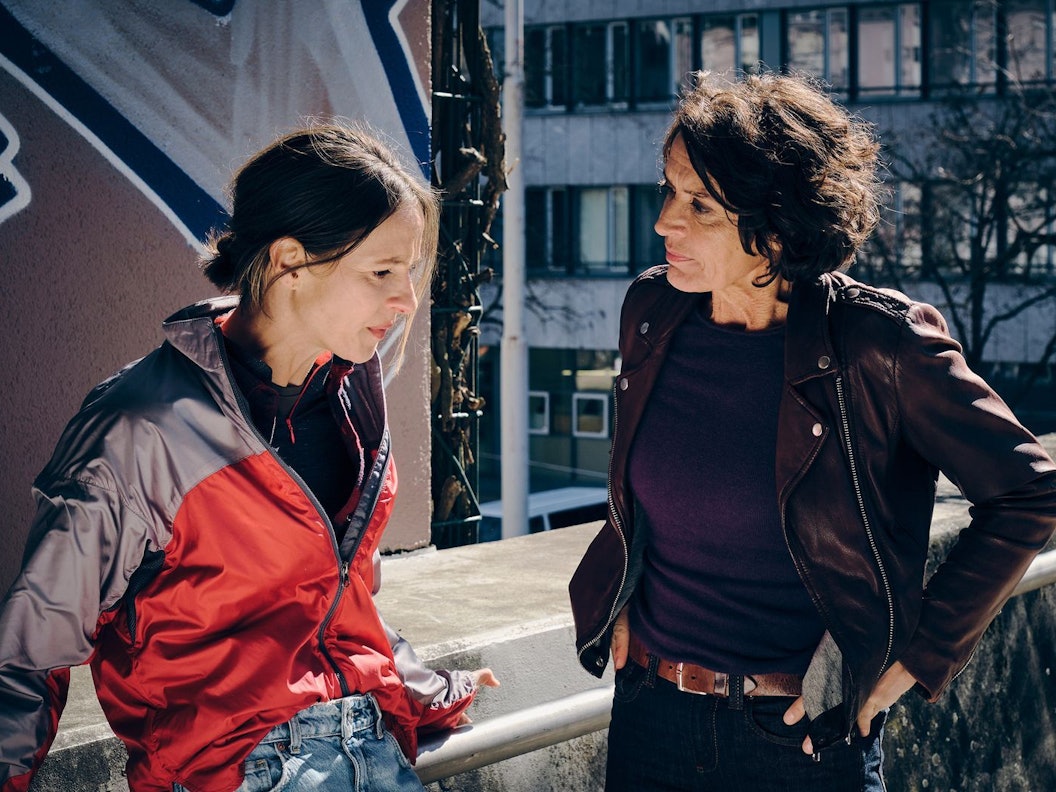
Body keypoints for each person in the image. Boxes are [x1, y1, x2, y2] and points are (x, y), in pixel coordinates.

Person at [569, 71, 1056, 791]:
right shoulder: (652, 312)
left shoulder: (880, 345)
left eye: (699, 204)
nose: (665, 221)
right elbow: (645, 491)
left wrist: (920, 655)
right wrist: (619, 595)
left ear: (775, 225)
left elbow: (1028, 492)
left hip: (798, 742)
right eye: (670, 190)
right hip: (651, 717)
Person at [0, 122, 498, 792]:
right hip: (236, 770)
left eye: (407, 273)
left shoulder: (350, 406)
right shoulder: (143, 427)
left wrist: (427, 688)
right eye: (382, 272)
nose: (406, 300)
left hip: (374, 754)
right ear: (290, 261)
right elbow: (29, 648)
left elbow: (337, 604)